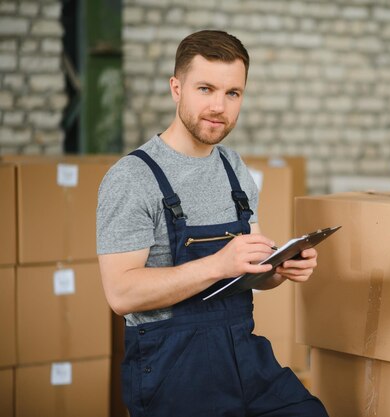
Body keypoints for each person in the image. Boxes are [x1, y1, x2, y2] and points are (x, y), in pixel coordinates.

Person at [97, 30, 329, 417]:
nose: (219, 106)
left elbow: (249, 269)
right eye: (205, 89)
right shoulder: (131, 178)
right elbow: (121, 293)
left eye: (232, 93)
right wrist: (217, 265)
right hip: (173, 367)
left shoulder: (234, 168)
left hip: (243, 351)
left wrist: (279, 268)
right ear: (176, 88)